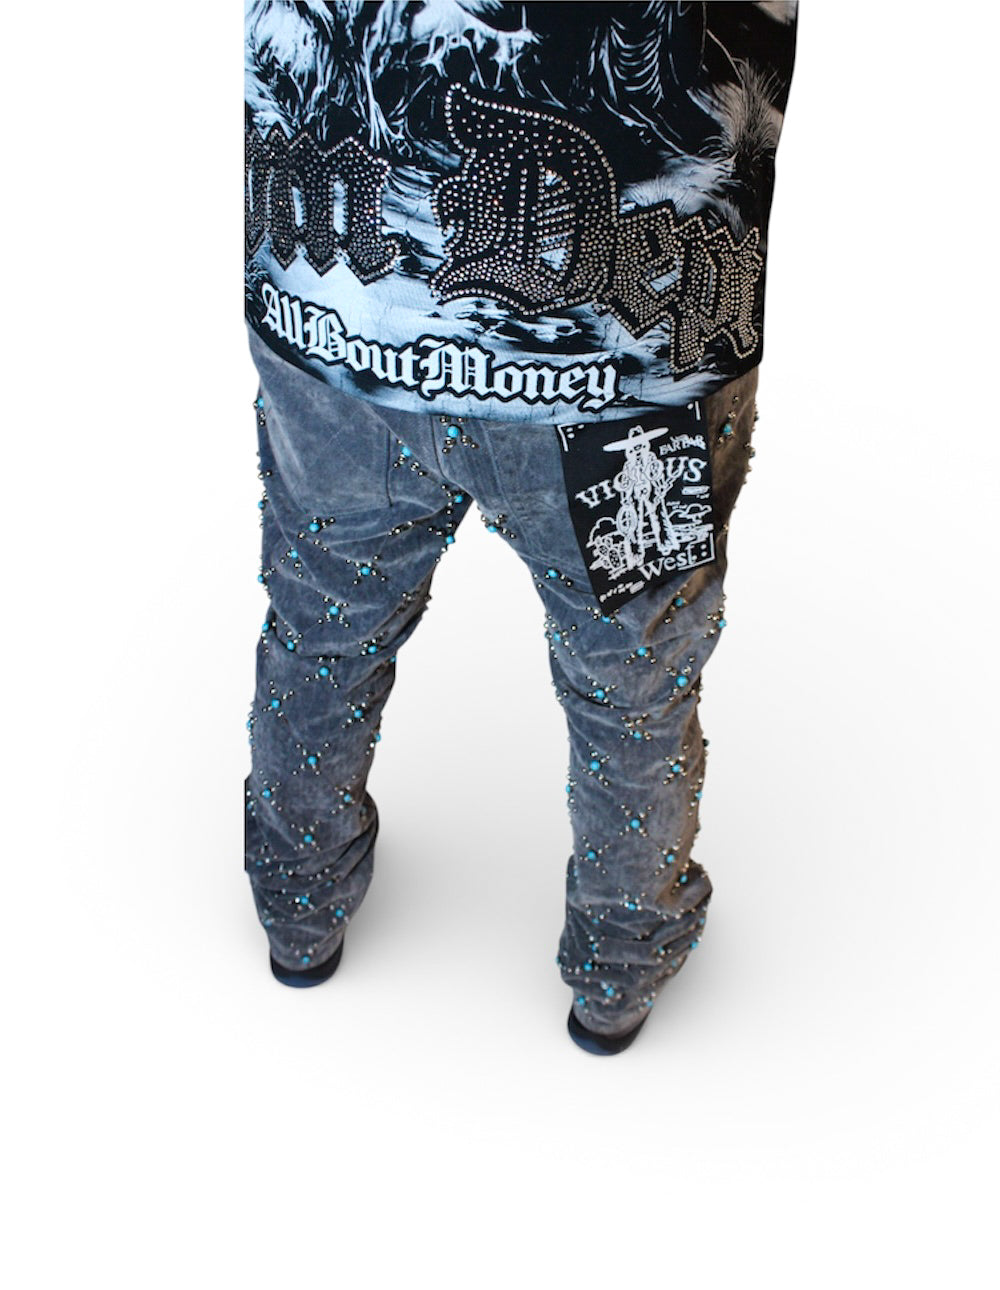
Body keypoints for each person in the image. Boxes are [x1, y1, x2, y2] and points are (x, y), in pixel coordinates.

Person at [242, 0, 798, 1054]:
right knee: (632, 680)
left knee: (321, 619)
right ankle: (618, 971)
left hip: (340, 296)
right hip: (627, 358)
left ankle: (297, 903)